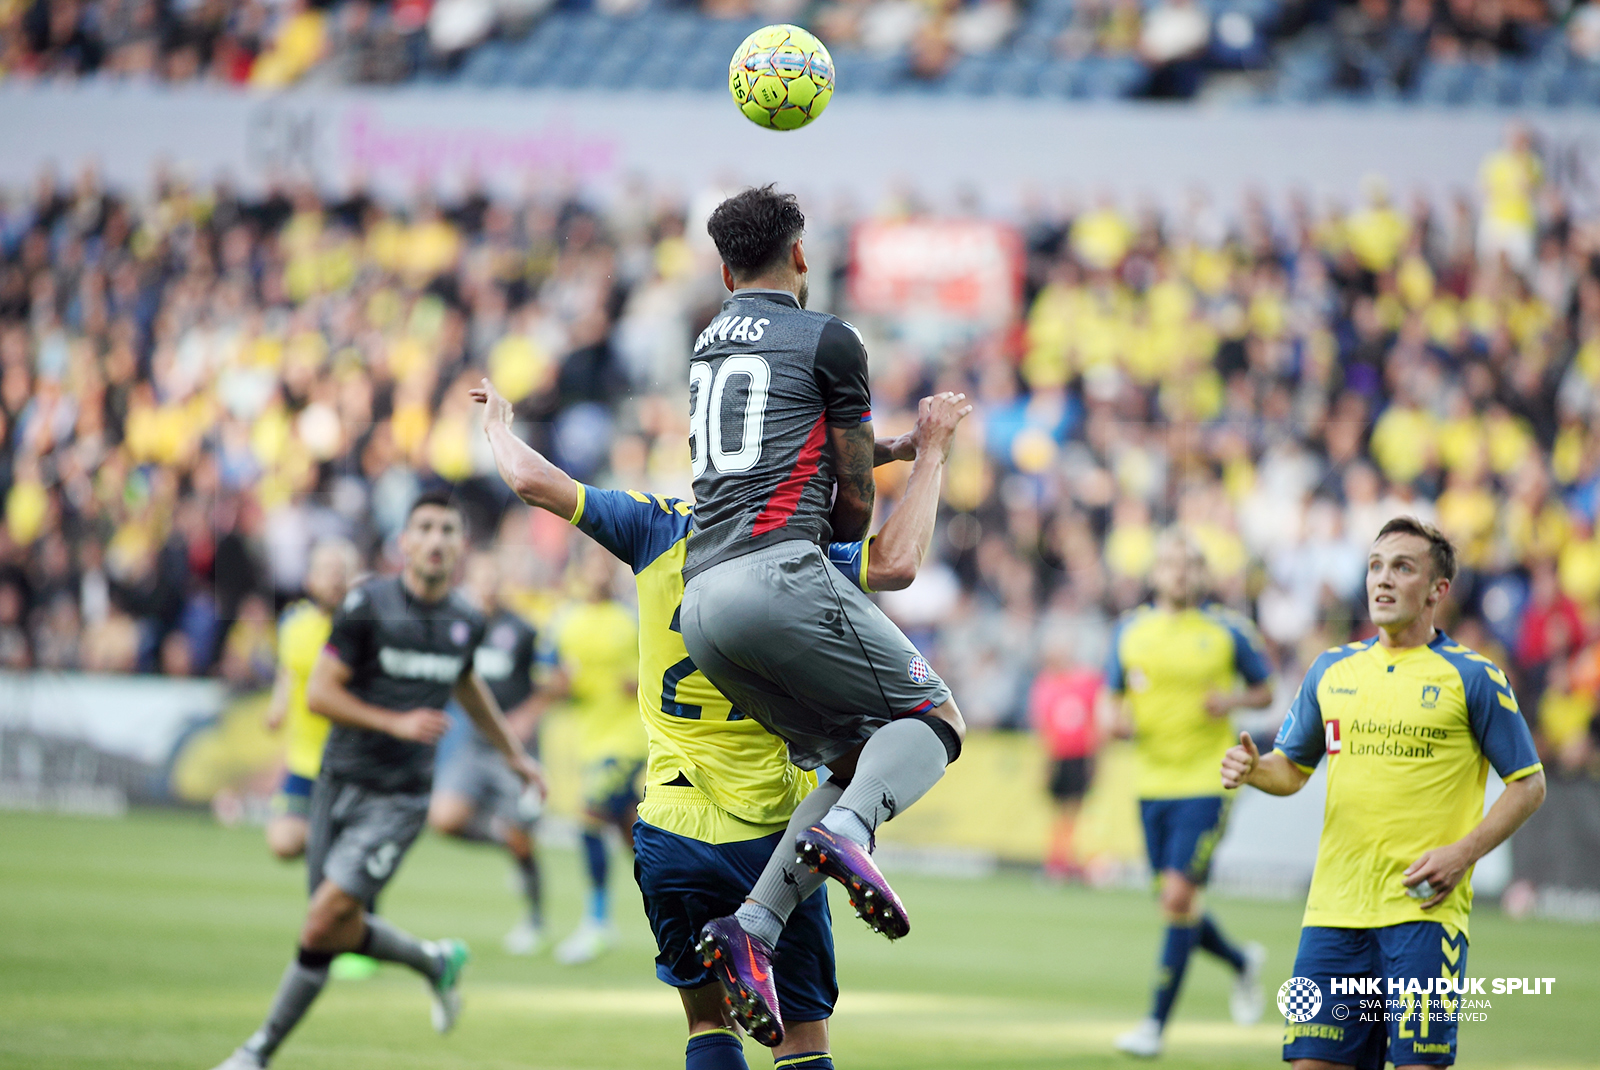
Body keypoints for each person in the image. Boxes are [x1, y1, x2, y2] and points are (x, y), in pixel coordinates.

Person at [473, 375, 970, 1070]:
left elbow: (530, 479)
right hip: (774, 831)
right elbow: (896, 562)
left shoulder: (654, 525)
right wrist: (927, 454)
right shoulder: (793, 556)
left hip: (672, 826)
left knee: (707, 1026)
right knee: (801, 1041)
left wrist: (498, 424)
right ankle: (845, 830)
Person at [674, 185, 967, 1045]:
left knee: (853, 757)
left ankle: (751, 928)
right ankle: (849, 833)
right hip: (781, 578)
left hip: (705, 606)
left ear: (726, 268)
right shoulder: (830, 335)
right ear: (801, 256)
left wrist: (885, 445)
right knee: (934, 718)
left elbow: (773, 435)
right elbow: (851, 502)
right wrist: (921, 455)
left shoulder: (704, 342)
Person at [208, 490, 543, 1070]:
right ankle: (433, 963)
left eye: (448, 530)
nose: (437, 540)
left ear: (460, 546)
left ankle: (256, 1052)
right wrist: (397, 721)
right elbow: (319, 693)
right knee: (335, 927)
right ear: (405, 543)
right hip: (339, 782)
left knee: (320, 921)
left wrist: (517, 757)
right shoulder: (367, 604)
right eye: (426, 529)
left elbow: (469, 689)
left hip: (400, 798)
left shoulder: (465, 620)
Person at [1222, 517, 1547, 1070]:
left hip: (1423, 916)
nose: (1383, 579)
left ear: (1437, 590)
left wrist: (1461, 854)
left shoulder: (1473, 678)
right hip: (1333, 914)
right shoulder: (1331, 669)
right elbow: (1292, 770)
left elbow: (1529, 785)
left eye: (1402, 567)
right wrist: (1256, 769)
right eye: (1375, 566)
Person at [1106, 531, 1273, 1058]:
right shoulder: (1130, 630)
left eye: (1189, 564)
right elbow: (1111, 699)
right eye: (1170, 563)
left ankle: (1154, 1027)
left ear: (1202, 574)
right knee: (1176, 904)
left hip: (1210, 779)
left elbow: (1265, 689)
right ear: (1155, 572)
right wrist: (1115, 724)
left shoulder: (1228, 629)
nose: (1179, 572)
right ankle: (1243, 962)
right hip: (1151, 783)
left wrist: (1233, 698)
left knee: (1178, 897)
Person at [261, 537, 380, 980]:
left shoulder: (363, 626)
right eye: (324, 568)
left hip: (350, 760)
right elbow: (289, 672)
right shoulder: (293, 622)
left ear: (352, 577)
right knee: (284, 842)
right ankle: (341, 904)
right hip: (303, 761)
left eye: (340, 568)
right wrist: (277, 707)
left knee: (350, 858)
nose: (331, 576)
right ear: (309, 578)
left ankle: (359, 940)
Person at [427, 550, 547, 956]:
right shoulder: (456, 629)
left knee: (522, 839)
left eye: (493, 578)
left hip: (514, 748)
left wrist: (529, 715)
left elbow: (552, 681)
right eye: (480, 578)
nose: (487, 586)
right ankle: (497, 835)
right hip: (474, 743)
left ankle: (534, 918)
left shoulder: (523, 629)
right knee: (443, 818)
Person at [543, 541, 648, 965]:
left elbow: (662, 670)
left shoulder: (632, 618)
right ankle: (680, 905)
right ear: (579, 571)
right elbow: (547, 680)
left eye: (606, 565)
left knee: (588, 816)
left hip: (628, 740)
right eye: (592, 564)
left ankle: (597, 923)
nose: (600, 572)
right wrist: (561, 685)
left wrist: (636, 684)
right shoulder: (563, 622)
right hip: (590, 740)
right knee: (637, 836)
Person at [1028, 632, 1101, 881]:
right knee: (1062, 812)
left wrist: (1096, 757)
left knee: (1075, 811)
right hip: (1058, 757)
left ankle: (1066, 860)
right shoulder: (1046, 683)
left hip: (1079, 755)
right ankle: (1060, 860)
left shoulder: (1086, 681)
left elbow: (1095, 721)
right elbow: (1042, 726)